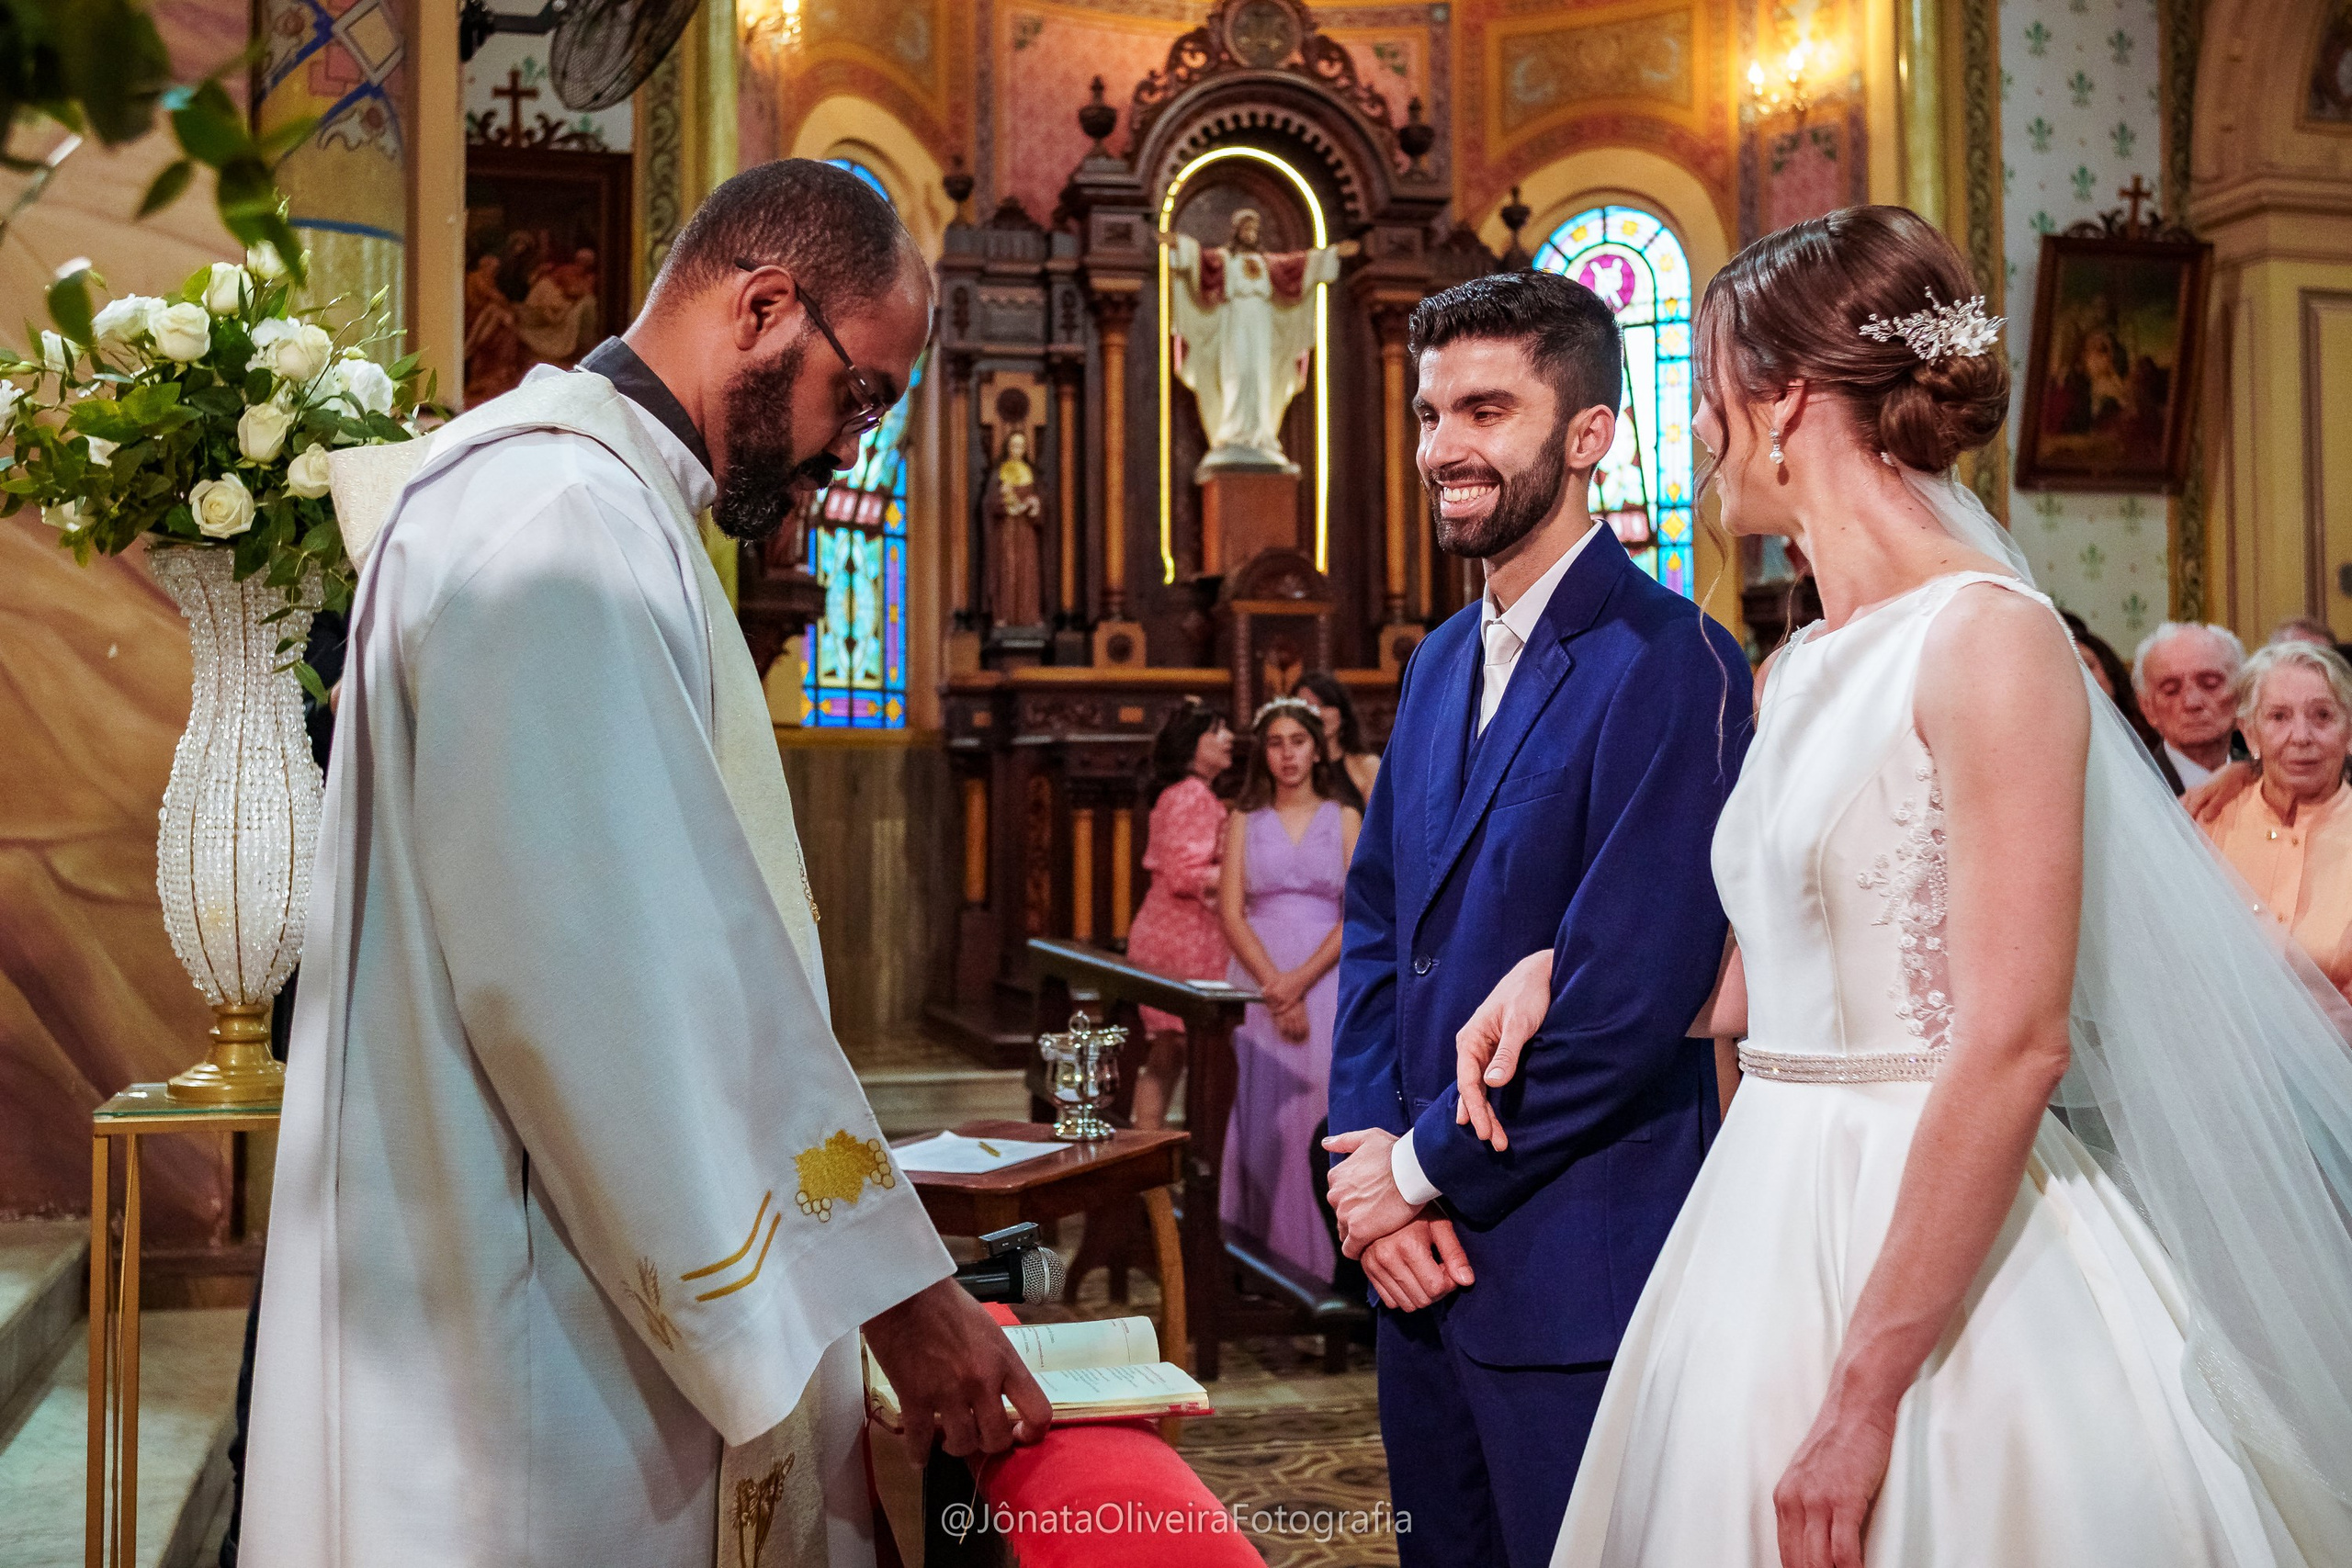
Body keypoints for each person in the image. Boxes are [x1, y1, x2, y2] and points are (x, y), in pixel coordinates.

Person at [1458, 206, 2352, 1568]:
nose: (1698, 431)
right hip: (1765, 1196)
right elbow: (1776, 970)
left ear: (1786, 401)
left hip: (1939, 1205)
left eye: (1708, 393)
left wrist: (1866, 1394)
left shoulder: (1991, 642)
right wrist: (1553, 971)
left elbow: (2014, 1035)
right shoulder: (1797, 665)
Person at [241, 161, 1051, 1568]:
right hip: (539, 1343)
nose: (851, 452)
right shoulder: (559, 524)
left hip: (551, 1278)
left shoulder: (591, 500)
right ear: (764, 306)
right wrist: (902, 1295)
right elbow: (609, 995)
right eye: (857, 396)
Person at [1319, 268, 1751, 1568]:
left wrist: (1411, 1175)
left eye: (1486, 408)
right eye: (1428, 409)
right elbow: (1384, 923)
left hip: (1575, 1263)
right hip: (1421, 1276)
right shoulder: (1438, 658)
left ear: (1589, 434)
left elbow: (1626, 1001)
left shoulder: (1672, 661)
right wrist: (1367, 1153)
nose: (1442, 444)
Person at [1217, 696, 1361, 1285]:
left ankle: (1324, 1272)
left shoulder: (1344, 815)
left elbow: (1360, 912)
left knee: (1317, 1113)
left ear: (1316, 746)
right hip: (1255, 980)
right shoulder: (1243, 818)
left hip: (1327, 978)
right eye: (1274, 744)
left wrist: (1298, 983)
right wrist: (1274, 986)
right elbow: (1230, 912)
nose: (1287, 755)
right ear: (1263, 753)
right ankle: (1254, 1265)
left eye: (1296, 742)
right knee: (1259, 1113)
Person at [2188, 640, 2352, 1002]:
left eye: (2322, 716)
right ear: (2249, 734)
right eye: (2279, 717)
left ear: (2350, 731)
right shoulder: (2205, 822)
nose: (2301, 737)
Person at [1126, 698, 1235, 1130]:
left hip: (1175, 930)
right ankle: (1160, 1154)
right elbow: (1184, 874)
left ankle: (1147, 1151)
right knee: (1179, 1051)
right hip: (1182, 936)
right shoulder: (1193, 796)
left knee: (1168, 1053)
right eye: (1218, 730)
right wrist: (1244, 870)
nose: (1229, 739)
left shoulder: (1185, 794)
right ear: (1194, 744)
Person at [2133, 619, 2245, 792]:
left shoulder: (2266, 780)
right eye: (2171, 690)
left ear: (2241, 695)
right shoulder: (2133, 788)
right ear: (2147, 707)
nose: (2192, 703)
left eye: (2210, 684)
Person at [2062, 608, 2166, 759]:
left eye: (2088, 666)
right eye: (2070, 669)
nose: (2084, 678)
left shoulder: (2152, 728)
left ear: (2109, 669)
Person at [1291, 671, 1381, 809]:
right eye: (1308, 707)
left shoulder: (1366, 765)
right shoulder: (1288, 767)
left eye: (1324, 705)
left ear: (1342, 713)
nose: (1317, 713)